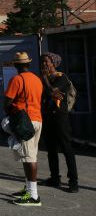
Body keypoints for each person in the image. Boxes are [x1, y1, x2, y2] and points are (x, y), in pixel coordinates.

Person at [4, 51, 43, 207]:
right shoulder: (37, 79)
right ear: (29, 63)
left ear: (16, 65)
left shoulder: (17, 80)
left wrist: (10, 111)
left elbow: (6, 103)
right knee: (30, 154)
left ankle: (34, 196)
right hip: (37, 120)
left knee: (29, 157)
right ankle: (28, 189)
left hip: (25, 122)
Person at [40, 51, 78, 193]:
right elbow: (49, 93)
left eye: (46, 61)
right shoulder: (45, 79)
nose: (44, 64)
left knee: (67, 149)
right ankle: (54, 178)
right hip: (47, 117)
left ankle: (73, 181)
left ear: (54, 63)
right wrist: (50, 89)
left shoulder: (61, 77)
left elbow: (52, 91)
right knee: (51, 149)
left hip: (60, 117)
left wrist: (46, 81)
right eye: (42, 61)